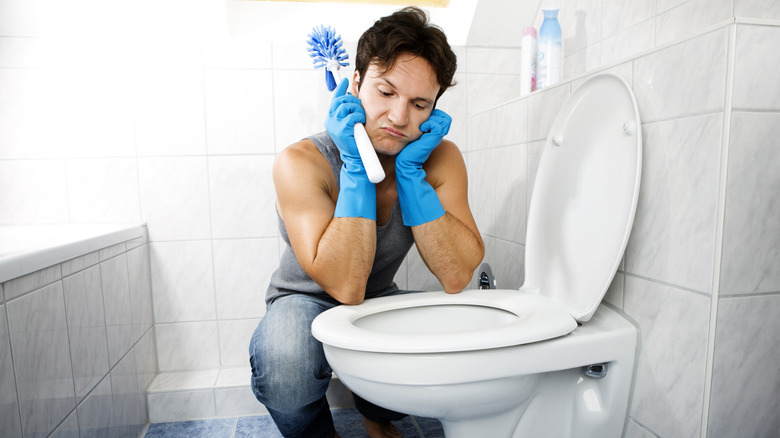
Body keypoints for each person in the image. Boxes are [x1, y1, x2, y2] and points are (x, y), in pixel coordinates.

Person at [249, 7, 484, 438]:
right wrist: (356, 166)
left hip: (377, 296)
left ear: (434, 109)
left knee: (458, 325)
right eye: (385, 92)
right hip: (305, 298)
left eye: (419, 104)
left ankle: (378, 414)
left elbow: (456, 275)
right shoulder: (302, 163)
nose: (399, 118)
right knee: (285, 366)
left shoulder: (438, 158)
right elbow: (345, 285)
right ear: (354, 84)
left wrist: (412, 175)